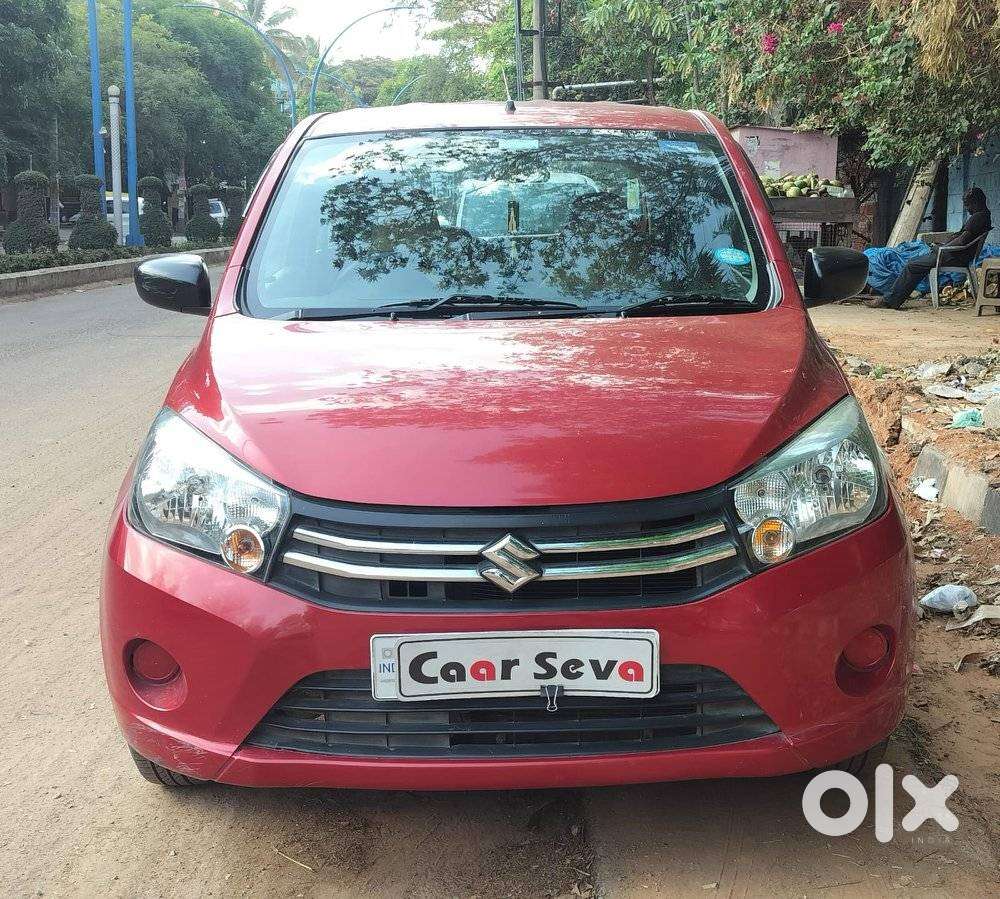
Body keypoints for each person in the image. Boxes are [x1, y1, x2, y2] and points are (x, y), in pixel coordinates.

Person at [867, 187, 992, 309]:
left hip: (954, 256)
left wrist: (942, 248)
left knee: (912, 266)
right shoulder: (984, 216)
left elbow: (961, 241)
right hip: (956, 255)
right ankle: (893, 298)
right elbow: (961, 238)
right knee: (915, 263)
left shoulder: (977, 217)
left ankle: (890, 300)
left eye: (968, 204)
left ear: (976, 202)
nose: (967, 208)